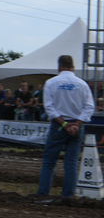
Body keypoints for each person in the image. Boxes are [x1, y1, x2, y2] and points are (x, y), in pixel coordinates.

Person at [37, 55, 95, 197]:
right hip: (77, 126)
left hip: (58, 125)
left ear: (59, 67)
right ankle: (67, 196)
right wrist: (77, 124)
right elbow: (89, 107)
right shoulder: (82, 84)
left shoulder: (51, 83)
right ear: (73, 67)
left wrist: (64, 124)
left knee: (49, 162)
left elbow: (49, 108)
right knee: (71, 163)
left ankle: (43, 193)